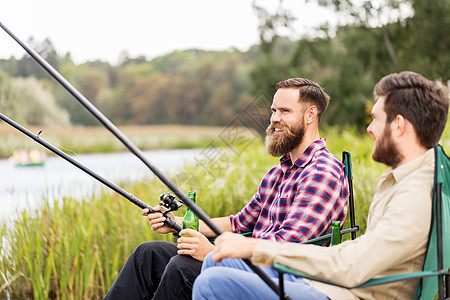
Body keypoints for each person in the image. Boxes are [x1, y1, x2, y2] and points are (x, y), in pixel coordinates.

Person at [193, 71, 450, 300]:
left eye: (375, 119)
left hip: (350, 292)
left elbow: (354, 265)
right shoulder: (403, 180)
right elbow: (362, 249)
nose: (370, 129)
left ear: (398, 125)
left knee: (212, 282)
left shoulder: (415, 195)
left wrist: (257, 248)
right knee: (216, 266)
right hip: (343, 284)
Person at [104, 78, 350, 300]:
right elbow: (238, 223)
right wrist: (176, 222)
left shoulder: (322, 172)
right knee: (148, 254)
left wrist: (212, 252)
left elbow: (285, 246)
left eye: (285, 111)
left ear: (310, 114)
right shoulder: (278, 173)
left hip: (280, 277)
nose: (274, 118)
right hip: (247, 263)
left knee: (181, 267)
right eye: (273, 110)